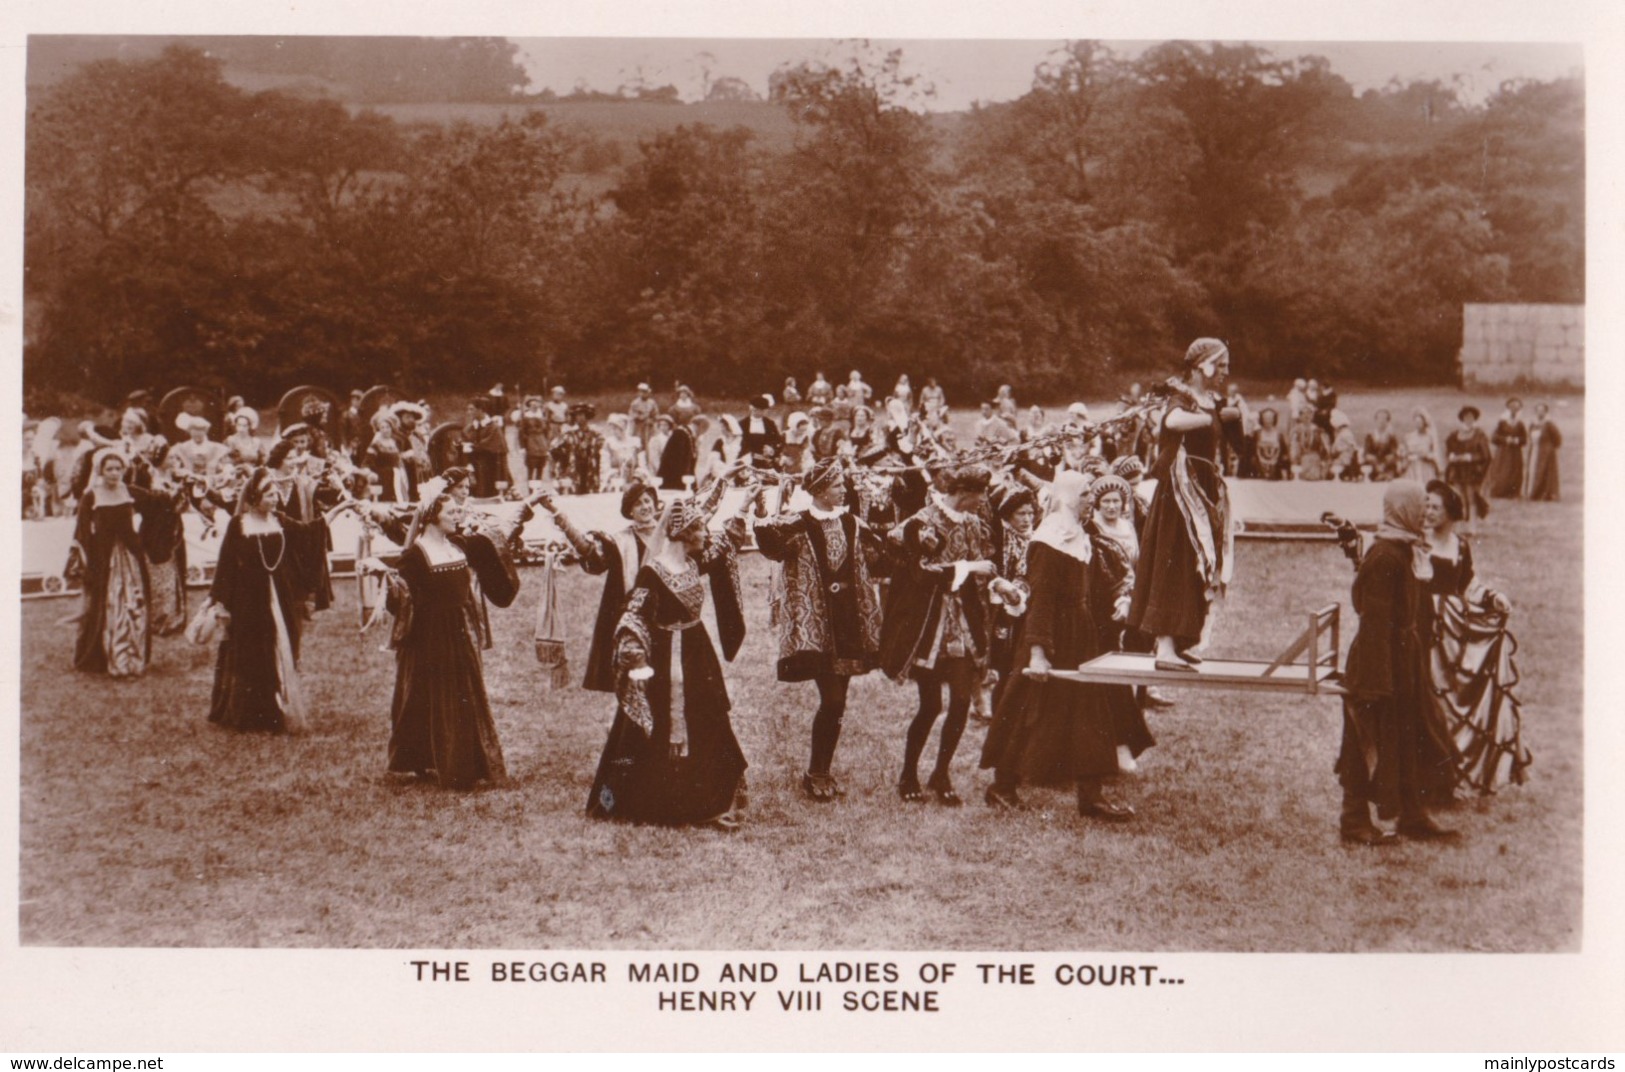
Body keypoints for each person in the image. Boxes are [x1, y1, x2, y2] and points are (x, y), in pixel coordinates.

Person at [586, 486, 751, 829]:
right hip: (662, 659)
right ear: (684, 535)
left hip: (696, 652)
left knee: (707, 717)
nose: (707, 534)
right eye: (701, 530)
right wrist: (635, 657)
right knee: (655, 725)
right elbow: (632, 617)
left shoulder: (694, 563)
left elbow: (725, 545)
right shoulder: (654, 572)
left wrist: (746, 502)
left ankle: (712, 800)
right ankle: (656, 802)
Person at [980, 470, 1141, 820]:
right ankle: (1002, 786)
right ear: (1068, 497)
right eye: (1085, 493)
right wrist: (1038, 653)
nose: (1090, 499)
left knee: (1090, 709)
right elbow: (1042, 601)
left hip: (1080, 634)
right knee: (1025, 708)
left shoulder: (1079, 536)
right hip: (1050, 636)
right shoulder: (1049, 540)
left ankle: (1091, 796)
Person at [368, 480, 521, 789]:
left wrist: (524, 509)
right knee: (431, 699)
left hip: (461, 633)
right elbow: (402, 598)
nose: (457, 515)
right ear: (432, 516)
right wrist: (383, 577)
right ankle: (438, 763)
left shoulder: (458, 545)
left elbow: (497, 537)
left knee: (466, 697)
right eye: (451, 511)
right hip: (430, 640)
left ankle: (468, 762)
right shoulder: (415, 555)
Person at [880, 465, 1017, 806]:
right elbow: (920, 572)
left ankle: (941, 772)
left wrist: (1000, 584)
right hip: (929, 626)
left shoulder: (971, 523)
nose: (984, 500)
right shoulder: (921, 522)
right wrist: (969, 569)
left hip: (964, 625)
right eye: (981, 494)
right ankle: (908, 772)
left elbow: (982, 565)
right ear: (965, 492)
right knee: (930, 705)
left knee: (959, 702)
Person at [754, 457, 887, 801]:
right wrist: (760, 510)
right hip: (817, 628)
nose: (845, 489)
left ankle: (821, 770)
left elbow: (880, 556)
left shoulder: (852, 523)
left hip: (848, 628)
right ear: (821, 491)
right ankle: (816, 772)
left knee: (837, 705)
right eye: (838, 485)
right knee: (833, 699)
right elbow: (772, 546)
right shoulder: (798, 525)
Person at [1335, 480, 1460, 845]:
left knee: (1408, 738)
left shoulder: (1403, 550)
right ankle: (1354, 821)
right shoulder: (1385, 557)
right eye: (1420, 507)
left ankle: (1411, 815)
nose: (1425, 514)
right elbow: (1373, 624)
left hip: (1401, 661)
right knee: (1366, 741)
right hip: (1378, 666)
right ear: (1403, 510)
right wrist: (1376, 684)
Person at [202, 467, 339, 733]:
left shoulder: (281, 520)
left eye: (276, 494)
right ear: (254, 497)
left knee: (280, 647)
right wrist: (219, 601)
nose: (274, 499)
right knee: (251, 653)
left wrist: (340, 508)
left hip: (280, 597)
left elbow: (311, 531)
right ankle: (250, 713)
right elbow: (226, 565)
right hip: (247, 600)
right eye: (268, 494)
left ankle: (276, 708)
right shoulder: (238, 524)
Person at [1126, 338, 1234, 671]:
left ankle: (1184, 638)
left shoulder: (1209, 400)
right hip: (1179, 494)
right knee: (1173, 563)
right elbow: (1172, 422)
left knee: (1195, 565)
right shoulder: (1182, 397)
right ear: (1204, 365)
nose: (1226, 372)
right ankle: (1164, 647)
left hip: (1202, 491)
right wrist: (1206, 418)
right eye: (1222, 365)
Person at [1420, 480, 1531, 797]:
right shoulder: (1418, 543)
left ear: (1451, 513)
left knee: (1460, 691)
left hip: (1455, 629)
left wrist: (1493, 597)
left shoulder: (1460, 545)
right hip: (1427, 627)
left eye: (1434, 507)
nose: (1427, 512)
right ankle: (1432, 775)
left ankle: (1462, 769)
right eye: (1425, 505)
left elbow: (1467, 585)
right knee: (1433, 694)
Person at [540, 481, 664, 692]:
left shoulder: (667, 536)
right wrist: (558, 515)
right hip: (634, 618)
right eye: (638, 504)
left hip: (664, 615)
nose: (645, 507)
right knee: (633, 681)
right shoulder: (620, 541)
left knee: (660, 679)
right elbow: (589, 551)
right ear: (630, 511)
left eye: (647, 501)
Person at [70, 450, 173, 677]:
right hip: (104, 560)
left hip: (131, 557)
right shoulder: (92, 496)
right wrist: (83, 561)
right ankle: (111, 656)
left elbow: (158, 505)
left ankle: (132, 656)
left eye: (118, 468)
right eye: (110, 469)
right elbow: (82, 531)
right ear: (101, 471)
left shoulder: (130, 491)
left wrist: (170, 495)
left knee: (134, 604)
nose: (114, 473)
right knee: (110, 605)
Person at [1444, 405, 1492, 527]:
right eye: (1466, 417)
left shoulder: (1479, 435)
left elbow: (1485, 455)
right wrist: (1452, 456)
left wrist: (1470, 457)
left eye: (1471, 417)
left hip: (1472, 472)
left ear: (1475, 419)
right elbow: (1449, 449)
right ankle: (1460, 525)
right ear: (1462, 418)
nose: (1468, 419)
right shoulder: (1455, 435)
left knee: (1472, 498)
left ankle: (1472, 527)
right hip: (1457, 470)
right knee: (1460, 498)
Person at [1487, 397, 1529, 499]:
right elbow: (1494, 437)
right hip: (1503, 452)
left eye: (1517, 408)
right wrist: (1505, 439)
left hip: (1515, 452)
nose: (1514, 409)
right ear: (1508, 408)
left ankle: (1513, 493)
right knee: (1502, 471)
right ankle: (1499, 492)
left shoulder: (1520, 423)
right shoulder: (1502, 422)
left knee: (1515, 471)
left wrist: (1517, 440)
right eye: (1512, 407)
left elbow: (1524, 439)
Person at [1526, 403, 1562, 501]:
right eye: (1538, 410)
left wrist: (1549, 448)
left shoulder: (1549, 424)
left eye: (1542, 410)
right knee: (1533, 470)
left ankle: (1544, 494)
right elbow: (1529, 436)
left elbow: (1558, 439)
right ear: (1536, 412)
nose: (1540, 413)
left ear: (1546, 412)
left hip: (1546, 452)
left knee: (1544, 472)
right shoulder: (1533, 424)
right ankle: (1532, 492)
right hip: (1534, 450)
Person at [655, 410, 697, 491]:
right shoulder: (679, 434)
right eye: (661, 425)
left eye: (666, 425)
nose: (664, 427)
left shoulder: (678, 434)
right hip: (666, 470)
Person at [1402, 408, 1442, 483]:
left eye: (1420, 422)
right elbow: (1405, 452)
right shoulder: (1409, 437)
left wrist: (1426, 455)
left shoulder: (1430, 437)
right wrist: (1406, 455)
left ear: (1424, 423)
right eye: (1416, 422)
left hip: (1426, 466)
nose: (1418, 424)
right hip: (1412, 466)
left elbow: (1435, 453)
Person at [519, 396, 551, 485]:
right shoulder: (526, 417)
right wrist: (523, 446)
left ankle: (538, 489)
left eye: (536, 404)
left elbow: (547, 432)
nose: (535, 406)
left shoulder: (543, 417)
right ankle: (531, 490)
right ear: (529, 406)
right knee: (531, 467)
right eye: (532, 405)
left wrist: (547, 445)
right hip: (531, 443)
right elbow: (522, 433)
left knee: (540, 467)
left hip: (542, 444)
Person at [1363, 409, 1402, 482]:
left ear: (1388, 421)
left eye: (1384, 419)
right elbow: (1366, 453)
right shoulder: (1370, 436)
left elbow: (1394, 453)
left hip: (1388, 467)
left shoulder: (1391, 437)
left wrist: (1384, 464)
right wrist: (1375, 463)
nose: (1381, 421)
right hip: (1373, 467)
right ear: (1375, 420)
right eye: (1379, 418)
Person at [1251, 407, 1290, 480]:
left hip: (1276, 469)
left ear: (1274, 419)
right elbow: (1252, 452)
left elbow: (1284, 454)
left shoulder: (1279, 435)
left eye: (1270, 418)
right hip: (1259, 469)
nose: (1268, 421)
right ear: (1261, 419)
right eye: (1265, 418)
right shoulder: (1256, 434)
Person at [627, 383, 659, 451]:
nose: (643, 394)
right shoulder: (635, 403)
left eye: (645, 392)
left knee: (650, 445)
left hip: (649, 428)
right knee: (638, 445)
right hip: (639, 428)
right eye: (641, 392)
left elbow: (656, 415)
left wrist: (652, 420)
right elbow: (631, 415)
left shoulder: (652, 402)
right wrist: (641, 417)